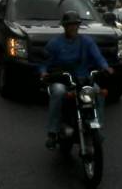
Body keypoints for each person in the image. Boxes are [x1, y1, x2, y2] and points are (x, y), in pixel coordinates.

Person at [40, 10, 114, 149]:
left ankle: (97, 127)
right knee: (58, 93)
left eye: (75, 25)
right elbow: (44, 63)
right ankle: (52, 132)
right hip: (63, 79)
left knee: (98, 92)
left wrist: (105, 67)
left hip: (83, 79)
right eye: (70, 25)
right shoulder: (55, 43)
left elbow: (98, 57)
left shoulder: (87, 41)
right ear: (64, 26)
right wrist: (43, 73)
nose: (73, 27)